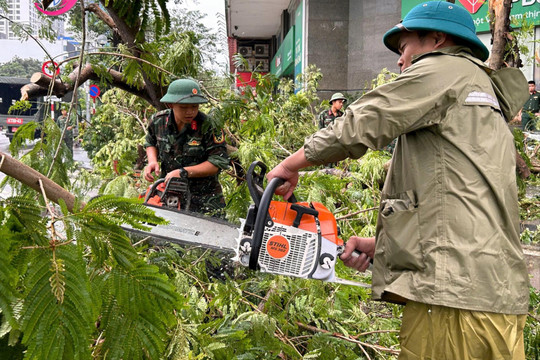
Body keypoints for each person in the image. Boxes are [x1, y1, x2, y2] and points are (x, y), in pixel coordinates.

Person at [266, 2, 530, 359]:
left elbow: (362, 122)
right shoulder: (481, 91)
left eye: (404, 47)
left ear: (437, 39)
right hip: (491, 293)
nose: (399, 60)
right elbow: (463, 198)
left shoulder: (444, 70)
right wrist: (385, 244)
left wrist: (290, 165)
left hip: (454, 298)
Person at [143, 78, 230, 216]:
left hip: (205, 199)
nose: (190, 112)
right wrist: (152, 161)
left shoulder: (209, 126)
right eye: (184, 107)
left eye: (194, 106)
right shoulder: (158, 121)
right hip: (171, 195)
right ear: (171, 104)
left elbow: (217, 162)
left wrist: (183, 172)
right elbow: (150, 142)